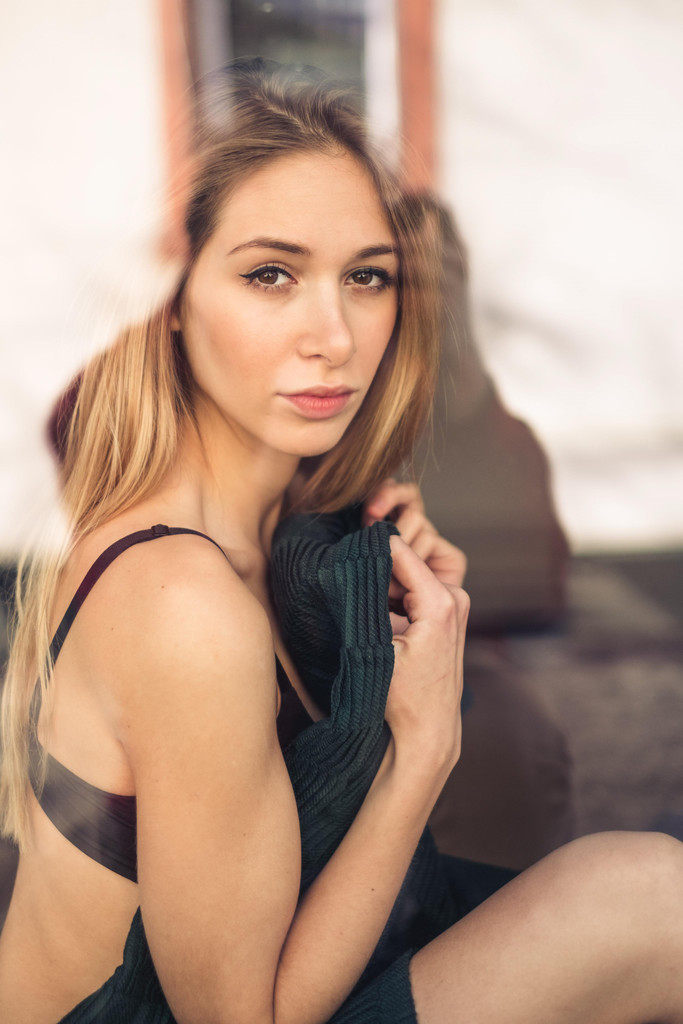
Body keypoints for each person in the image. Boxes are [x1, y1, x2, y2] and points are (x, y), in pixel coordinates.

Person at [2, 58, 683, 1024]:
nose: (334, 336)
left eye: (366, 277)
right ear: (171, 297)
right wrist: (419, 749)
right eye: (270, 275)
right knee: (644, 899)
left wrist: (379, 614)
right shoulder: (180, 598)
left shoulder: (293, 536)